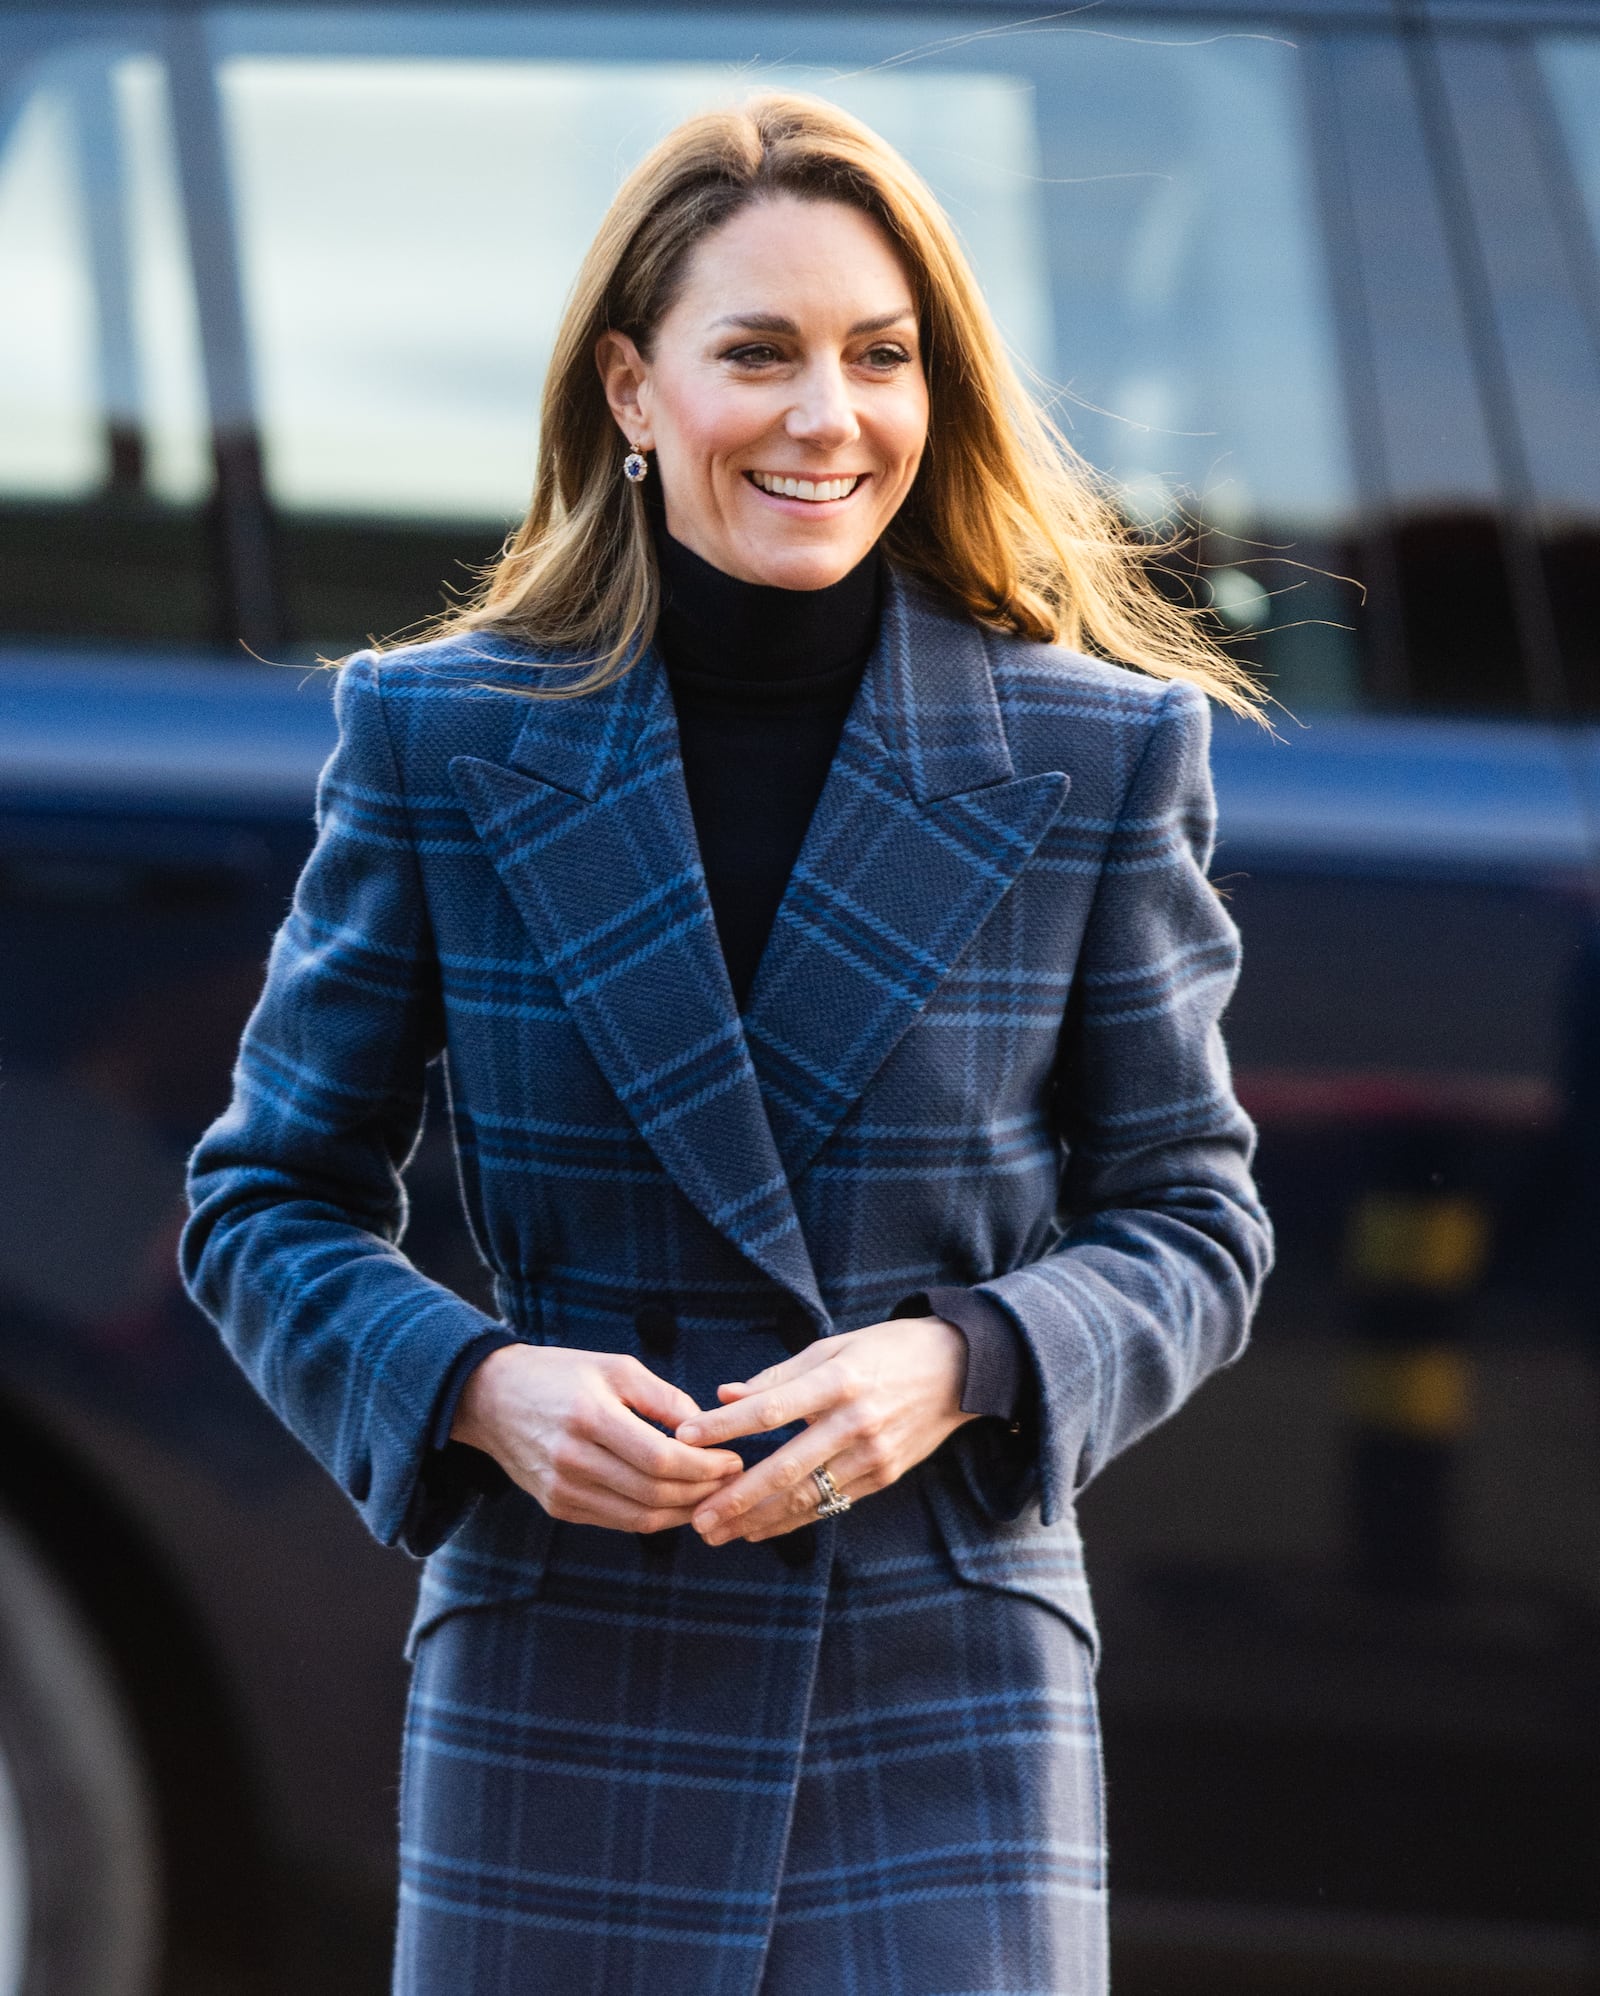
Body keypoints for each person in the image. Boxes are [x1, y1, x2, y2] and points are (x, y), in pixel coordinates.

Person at [181, 92, 1273, 1995]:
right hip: (565, 1675)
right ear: (630, 385)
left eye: (880, 357)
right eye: (754, 352)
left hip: (941, 1684)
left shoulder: (1097, 753)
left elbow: (1194, 1220)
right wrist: (472, 1387)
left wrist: (965, 1359)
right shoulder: (443, 738)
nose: (824, 417)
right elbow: (263, 1199)